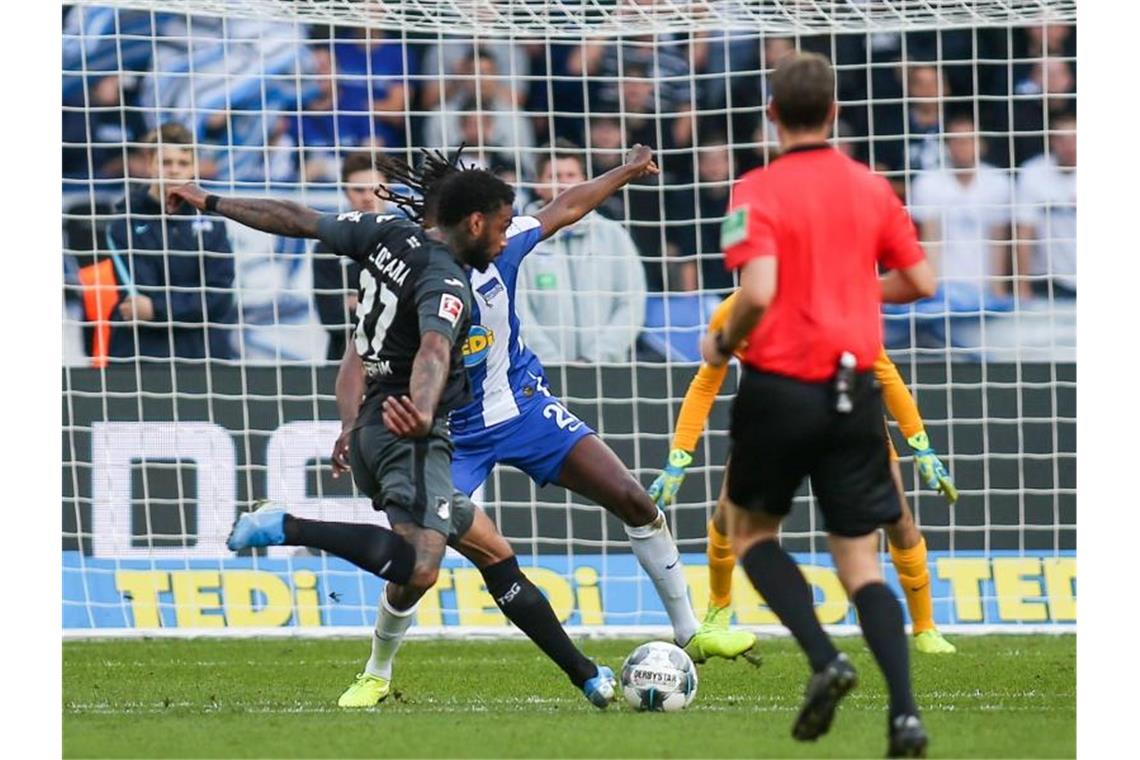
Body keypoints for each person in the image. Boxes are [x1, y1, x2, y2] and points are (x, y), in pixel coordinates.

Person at [165, 170, 603, 710]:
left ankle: (589, 678)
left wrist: (212, 200)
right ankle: (286, 524)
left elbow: (298, 219)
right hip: (409, 434)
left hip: (375, 423)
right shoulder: (447, 280)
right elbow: (434, 351)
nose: (504, 237)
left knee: (494, 553)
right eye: (501, 226)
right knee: (419, 566)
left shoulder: (384, 232)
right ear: (475, 221)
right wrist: (421, 412)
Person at [336, 145, 758, 689]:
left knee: (633, 498)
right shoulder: (405, 272)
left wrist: (626, 171)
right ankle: (376, 671)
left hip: (523, 408)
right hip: (446, 435)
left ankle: (689, 631)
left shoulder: (500, 245)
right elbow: (355, 361)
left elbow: (564, 208)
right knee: (421, 563)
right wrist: (351, 425)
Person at [698, 53, 936, 757]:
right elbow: (919, 280)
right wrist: (858, 295)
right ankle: (904, 713)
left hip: (778, 388)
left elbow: (759, 289)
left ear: (771, 114)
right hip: (853, 391)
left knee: (750, 532)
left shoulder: (751, 191)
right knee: (861, 563)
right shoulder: (872, 187)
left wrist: (721, 343)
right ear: (834, 112)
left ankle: (824, 658)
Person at [650, 290, 959, 655]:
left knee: (899, 520)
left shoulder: (837, 305)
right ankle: (717, 614)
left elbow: (884, 371)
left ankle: (925, 627)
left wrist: (920, 444)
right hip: (773, 423)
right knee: (728, 517)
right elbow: (706, 382)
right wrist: (679, 457)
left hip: (849, 423)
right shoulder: (735, 312)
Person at [106, 122, 236, 361]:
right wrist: (189, 304)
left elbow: (219, 298)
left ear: (194, 167)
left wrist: (156, 309)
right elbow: (139, 294)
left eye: (183, 163)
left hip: (204, 354)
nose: (174, 170)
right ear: (150, 164)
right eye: (166, 162)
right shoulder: (124, 222)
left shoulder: (212, 221)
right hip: (142, 354)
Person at [517, 141, 648, 364]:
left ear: (585, 182)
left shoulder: (613, 235)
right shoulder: (521, 238)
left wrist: (595, 358)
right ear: (538, 185)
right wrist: (551, 362)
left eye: (570, 175)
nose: (563, 183)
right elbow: (517, 311)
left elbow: (632, 303)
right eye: (553, 176)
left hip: (606, 371)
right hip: (539, 373)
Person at [910, 114, 1012, 303]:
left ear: (981, 144)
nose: (962, 147)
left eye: (969, 140)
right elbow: (930, 239)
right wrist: (934, 292)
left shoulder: (998, 182)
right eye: (956, 141)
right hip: (945, 290)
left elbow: (998, 241)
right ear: (947, 146)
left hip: (986, 288)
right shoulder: (927, 183)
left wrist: (998, 291)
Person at [311, 153, 386, 361]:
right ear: (345, 192)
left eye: (375, 189)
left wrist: (359, 302)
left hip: (398, 365)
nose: (368, 197)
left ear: (389, 189)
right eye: (359, 190)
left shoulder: (411, 241)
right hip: (342, 359)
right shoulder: (328, 246)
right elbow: (331, 317)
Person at [1014, 112, 1076, 300]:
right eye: (1061, 139)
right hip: (1049, 281)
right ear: (1050, 141)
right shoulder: (1032, 173)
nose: (1069, 146)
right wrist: (1022, 287)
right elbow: (1024, 232)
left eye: (1074, 138)